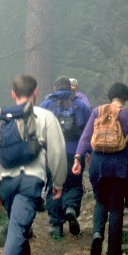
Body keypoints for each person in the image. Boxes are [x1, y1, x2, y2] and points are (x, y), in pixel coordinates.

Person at [0, 74, 67, 255]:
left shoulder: (0, 119)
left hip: (5, 182)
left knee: (20, 228)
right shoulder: (45, 117)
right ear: (36, 93)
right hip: (30, 181)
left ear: (13, 93)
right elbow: (58, 154)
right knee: (18, 228)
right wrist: (58, 183)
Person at [72, 82, 128, 255]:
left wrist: (78, 158)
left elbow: (85, 137)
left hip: (98, 163)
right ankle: (114, 253)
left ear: (110, 96)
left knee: (100, 202)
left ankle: (98, 233)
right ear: (126, 97)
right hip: (120, 165)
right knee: (116, 208)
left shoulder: (97, 112)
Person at [40, 76, 91, 238]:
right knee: (74, 185)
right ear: (71, 88)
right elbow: (88, 132)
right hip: (74, 153)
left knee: (54, 187)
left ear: (54, 89)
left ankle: (56, 226)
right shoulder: (80, 105)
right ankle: (70, 208)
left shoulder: (46, 105)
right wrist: (88, 152)